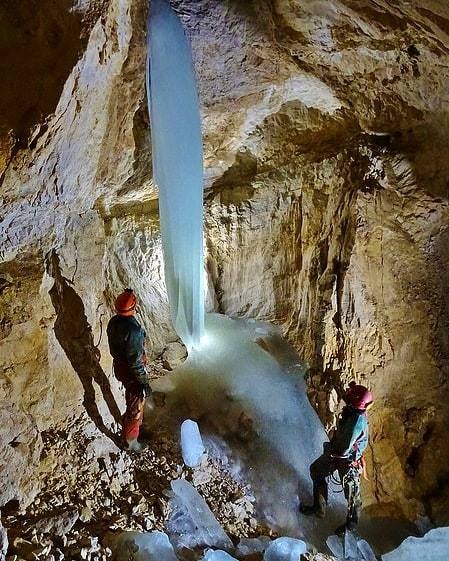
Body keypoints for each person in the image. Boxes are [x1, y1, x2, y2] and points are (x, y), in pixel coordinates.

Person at [300, 381, 373, 536]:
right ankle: (319, 507)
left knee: (352, 495)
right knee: (317, 470)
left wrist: (335, 455)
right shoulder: (352, 413)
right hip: (338, 454)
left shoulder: (357, 421)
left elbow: (346, 445)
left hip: (347, 460)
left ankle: (350, 526)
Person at [106, 289, 152, 452]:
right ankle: (130, 442)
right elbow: (135, 362)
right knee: (135, 406)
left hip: (120, 366)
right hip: (131, 372)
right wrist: (144, 382)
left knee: (134, 401)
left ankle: (134, 426)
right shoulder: (134, 331)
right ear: (134, 307)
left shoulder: (113, 322)